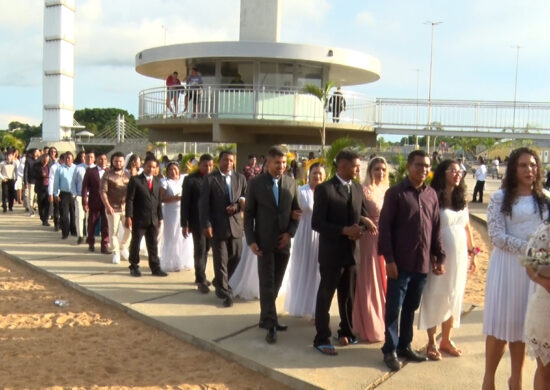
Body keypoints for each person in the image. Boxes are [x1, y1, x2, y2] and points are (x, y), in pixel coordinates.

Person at [482, 147, 548, 390]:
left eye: (533, 164)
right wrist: (532, 249)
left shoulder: (545, 198)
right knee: (500, 326)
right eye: (523, 165)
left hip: (534, 271)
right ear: (513, 168)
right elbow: (497, 236)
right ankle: (489, 378)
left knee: (523, 326)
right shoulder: (500, 197)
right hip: (507, 267)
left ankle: (516, 380)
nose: (529, 169)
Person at [378, 149, 446, 371]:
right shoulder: (395, 193)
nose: (423, 169)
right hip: (400, 263)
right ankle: (390, 349)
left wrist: (439, 256)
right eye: (419, 165)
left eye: (427, 166)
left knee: (410, 307)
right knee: (393, 308)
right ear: (408, 167)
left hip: (422, 262)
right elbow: (385, 228)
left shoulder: (431, 195)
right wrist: (389, 259)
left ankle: (404, 346)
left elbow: (435, 228)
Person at [311, 150, 370, 355]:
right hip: (331, 254)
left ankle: (346, 331)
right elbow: (316, 223)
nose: (358, 169)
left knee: (348, 296)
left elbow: (362, 215)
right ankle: (321, 338)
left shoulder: (357, 188)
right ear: (342, 166)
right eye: (355, 166)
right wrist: (344, 231)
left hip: (353, 253)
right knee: (326, 296)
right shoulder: (325, 189)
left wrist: (360, 230)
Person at [418, 159, 477, 360]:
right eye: (453, 170)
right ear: (443, 173)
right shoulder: (432, 196)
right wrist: (434, 256)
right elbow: (427, 229)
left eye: (459, 170)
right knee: (435, 295)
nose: (457, 173)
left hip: (460, 256)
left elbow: (467, 226)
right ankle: (432, 341)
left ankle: (447, 339)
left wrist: (472, 251)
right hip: (439, 256)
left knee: (454, 295)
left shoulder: (462, 198)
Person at [244, 145, 300, 344]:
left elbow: (297, 213)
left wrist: (290, 233)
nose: (281, 166)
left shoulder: (292, 183)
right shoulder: (256, 184)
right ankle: (270, 324)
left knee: (275, 283)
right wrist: (250, 240)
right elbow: (249, 213)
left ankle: (265, 316)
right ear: (268, 163)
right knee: (267, 283)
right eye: (278, 162)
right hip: (263, 242)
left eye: (284, 163)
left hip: (283, 243)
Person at [200, 151, 247, 307]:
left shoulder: (240, 178)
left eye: (231, 160)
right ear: (219, 161)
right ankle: (226, 292)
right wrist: (206, 224)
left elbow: (245, 196)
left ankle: (219, 281)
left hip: (236, 226)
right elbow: (204, 204)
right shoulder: (210, 179)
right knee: (221, 261)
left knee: (237, 256)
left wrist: (237, 206)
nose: (228, 163)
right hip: (217, 226)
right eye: (225, 160)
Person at [352, 156, 389, 343]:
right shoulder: (363, 190)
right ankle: (367, 323)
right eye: (377, 169)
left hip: (384, 239)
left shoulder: (386, 191)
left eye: (383, 169)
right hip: (368, 239)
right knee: (369, 280)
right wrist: (364, 219)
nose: (380, 173)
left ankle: (382, 320)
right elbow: (351, 211)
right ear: (370, 171)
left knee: (383, 280)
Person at [284, 163, 326, 318]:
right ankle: (300, 305)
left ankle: (316, 309)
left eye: (321, 174)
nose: (317, 177)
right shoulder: (301, 191)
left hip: (321, 236)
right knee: (302, 268)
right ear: (309, 174)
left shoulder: (326, 192)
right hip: (304, 233)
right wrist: (291, 214)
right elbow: (289, 208)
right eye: (315, 173)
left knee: (317, 272)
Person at [125, 156, 167, 277]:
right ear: (144, 166)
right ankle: (134, 265)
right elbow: (130, 200)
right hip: (139, 218)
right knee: (136, 243)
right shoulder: (135, 180)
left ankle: (155, 267)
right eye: (148, 166)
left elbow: (158, 201)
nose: (151, 169)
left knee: (153, 244)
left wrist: (160, 217)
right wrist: (129, 216)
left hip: (153, 219)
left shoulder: (157, 181)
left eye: (153, 167)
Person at [181, 154, 214, 293]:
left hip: (212, 222)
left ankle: (200, 275)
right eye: (205, 165)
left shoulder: (215, 178)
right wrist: (185, 223)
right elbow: (185, 203)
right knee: (200, 250)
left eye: (210, 165)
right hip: (196, 221)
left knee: (206, 249)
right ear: (199, 165)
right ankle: (201, 280)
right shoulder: (190, 180)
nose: (208, 168)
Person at [161, 162, 193, 272]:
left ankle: (184, 261)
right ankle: (173, 262)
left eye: (175, 169)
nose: (173, 171)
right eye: (170, 169)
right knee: (173, 235)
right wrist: (177, 198)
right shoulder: (165, 182)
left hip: (184, 211)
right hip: (171, 212)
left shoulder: (184, 179)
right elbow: (163, 198)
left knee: (184, 236)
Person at [100, 152, 132, 261]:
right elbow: (103, 192)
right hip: (113, 208)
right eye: (116, 161)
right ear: (112, 162)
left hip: (126, 208)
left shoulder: (128, 175)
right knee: (113, 232)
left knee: (129, 229)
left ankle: (123, 247)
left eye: (120, 161)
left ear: (124, 162)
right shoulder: (107, 175)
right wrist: (108, 206)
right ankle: (116, 252)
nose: (118, 163)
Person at [82, 152, 109, 253]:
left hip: (107, 202)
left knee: (106, 225)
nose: (103, 161)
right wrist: (84, 202)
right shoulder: (90, 171)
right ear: (96, 160)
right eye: (100, 159)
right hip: (94, 201)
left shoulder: (109, 171)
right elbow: (85, 187)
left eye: (105, 159)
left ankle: (105, 245)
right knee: (92, 223)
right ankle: (91, 242)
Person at [72, 150, 95, 245]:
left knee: (90, 218)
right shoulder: (78, 168)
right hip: (80, 195)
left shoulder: (96, 169)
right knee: (79, 216)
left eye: (91, 157)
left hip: (92, 196)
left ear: (94, 159)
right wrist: (74, 194)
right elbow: (73, 182)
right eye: (87, 157)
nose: (89, 159)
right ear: (84, 158)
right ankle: (80, 235)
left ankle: (89, 235)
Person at [53, 152, 77, 239]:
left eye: (69, 158)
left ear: (72, 159)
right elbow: (56, 182)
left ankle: (73, 230)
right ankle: (65, 232)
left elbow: (78, 181)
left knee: (74, 213)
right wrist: (55, 194)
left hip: (74, 194)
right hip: (64, 194)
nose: (67, 160)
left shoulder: (76, 168)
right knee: (64, 214)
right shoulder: (60, 169)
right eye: (66, 158)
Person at [31, 153, 50, 225]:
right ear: (41, 159)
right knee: (41, 204)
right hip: (40, 187)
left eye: (47, 161)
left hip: (48, 187)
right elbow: (33, 175)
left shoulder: (49, 166)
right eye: (44, 161)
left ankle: (46, 219)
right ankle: (42, 217)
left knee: (47, 204)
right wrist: (41, 175)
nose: (45, 162)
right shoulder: (36, 166)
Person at [48, 153, 64, 231]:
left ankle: (62, 224)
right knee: (56, 208)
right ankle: (56, 224)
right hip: (56, 191)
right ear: (61, 160)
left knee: (63, 209)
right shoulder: (54, 167)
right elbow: (51, 180)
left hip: (65, 192)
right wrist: (50, 193)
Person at [24, 148, 40, 217]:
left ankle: (36, 207)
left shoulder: (40, 160)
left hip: (39, 182)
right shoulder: (28, 160)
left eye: (38, 152)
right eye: (36, 152)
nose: (37, 153)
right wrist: (25, 182)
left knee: (37, 197)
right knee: (30, 197)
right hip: (31, 181)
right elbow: (26, 172)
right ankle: (31, 211)